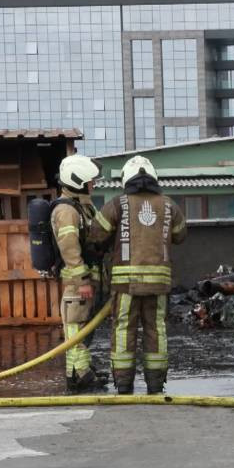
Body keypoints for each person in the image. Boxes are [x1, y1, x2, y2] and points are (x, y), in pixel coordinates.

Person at [89, 156, 187, 394]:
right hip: (159, 284)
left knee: (124, 329)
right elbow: (180, 235)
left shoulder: (117, 204)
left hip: (125, 285)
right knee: (156, 329)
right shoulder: (169, 205)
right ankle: (155, 385)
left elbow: (96, 235)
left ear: (126, 179)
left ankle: (124, 385)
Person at [52, 154, 105, 392]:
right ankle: (78, 375)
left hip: (86, 281)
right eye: (90, 180)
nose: (93, 184)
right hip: (77, 284)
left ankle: (84, 370)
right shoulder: (66, 211)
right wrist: (83, 279)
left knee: (84, 328)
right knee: (75, 329)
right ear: (77, 181)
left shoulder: (81, 206)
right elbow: (70, 248)